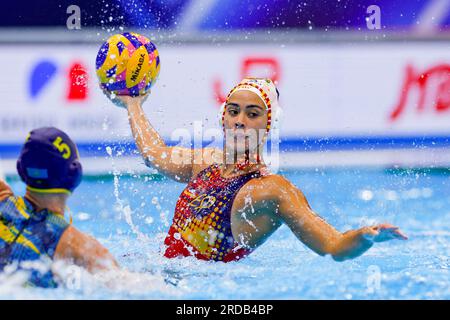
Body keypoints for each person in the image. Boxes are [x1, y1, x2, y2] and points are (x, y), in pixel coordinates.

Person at [104, 77, 407, 263]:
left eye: (252, 114)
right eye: (233, 111)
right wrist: (133, 104)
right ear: (223, 118)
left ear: (268, 126)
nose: (239, 121)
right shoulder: (204, 162)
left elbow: (332, 245)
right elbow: (153, 155)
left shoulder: (273, 191)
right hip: (162, 276)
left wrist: (366, 237)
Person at [0, 127, 118, 288]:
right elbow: (129, 285)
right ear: (74, 174)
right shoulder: (76, 244)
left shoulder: (2, 198)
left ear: (21, 170)